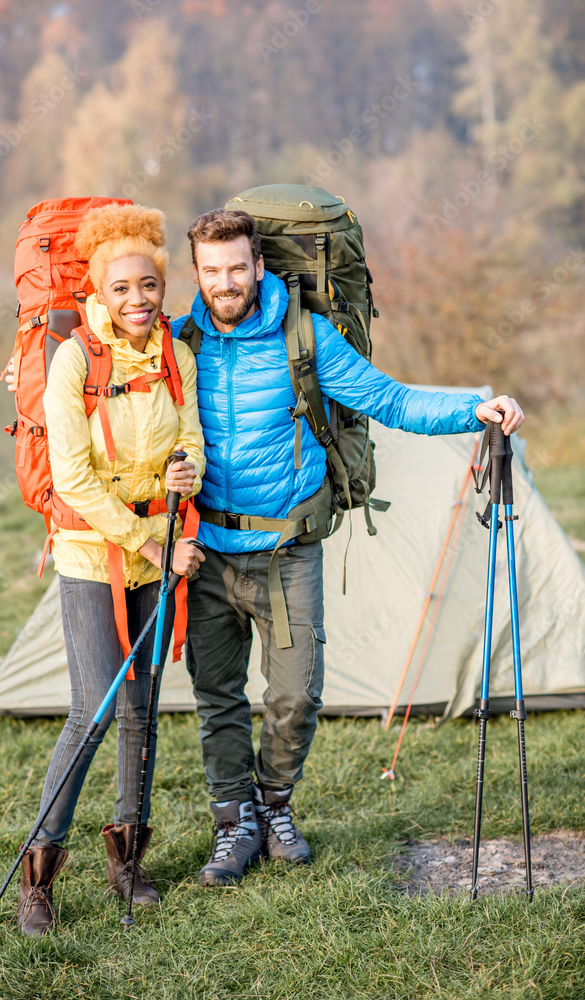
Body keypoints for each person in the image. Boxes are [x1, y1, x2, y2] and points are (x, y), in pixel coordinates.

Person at [171, 208, 524, 887]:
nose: (226, 282)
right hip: (205, 551)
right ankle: (232, 824)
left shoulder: (306, 337)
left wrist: (472, 407)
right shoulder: (179, 342)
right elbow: (110, 380)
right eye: (212, 271)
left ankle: (273, 807)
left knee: (295, 695)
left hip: (288, 548)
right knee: (215, 698)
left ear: (259, 266)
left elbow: (387, 399)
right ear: (197, 274)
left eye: (238, 267)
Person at [16, 204, 205, 935]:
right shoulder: (74, 360)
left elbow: (189, 439)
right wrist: (153, 543)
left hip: (157, 541)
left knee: (141, 709)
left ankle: (128, 861)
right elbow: (73, 479)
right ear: (99, 288)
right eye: (123, 287)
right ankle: (39, 876)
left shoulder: (173, 357)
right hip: (94, 551)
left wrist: (187, 471)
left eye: (150, 285)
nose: (138, 300)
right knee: (92, 707)